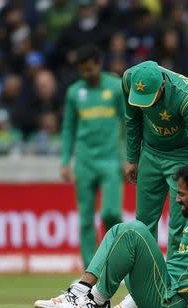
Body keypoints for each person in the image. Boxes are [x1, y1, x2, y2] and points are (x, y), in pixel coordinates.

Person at [34, 164, 188, 308]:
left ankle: (97, 301)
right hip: (163, 288)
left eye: (182, 195)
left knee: (135, 230)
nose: (176, 199)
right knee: (119, 229)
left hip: (172, 303)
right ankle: (82, 291)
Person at [114, 60, 188, 308]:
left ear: (162, 85)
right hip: (149, 153)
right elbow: (132, 119)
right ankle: (138, 294)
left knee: (178, 230)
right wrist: (131, 157)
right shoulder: (128, 81)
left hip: (183, 158)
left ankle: (172, 292)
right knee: (141, 226)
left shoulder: (187, 98)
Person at [60, 44, 126, 269]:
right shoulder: (74, 92)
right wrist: (65, 161)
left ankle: (115, 262)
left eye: (90, 69)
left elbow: (128, 125)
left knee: (111, 213)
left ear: (99, 64)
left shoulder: (116, 87)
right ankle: (92, 270)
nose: (87, 74)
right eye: (83, 70)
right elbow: (68, 128)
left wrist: (128, 157)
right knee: (86, 219)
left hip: (110, 160)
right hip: (84, 161)